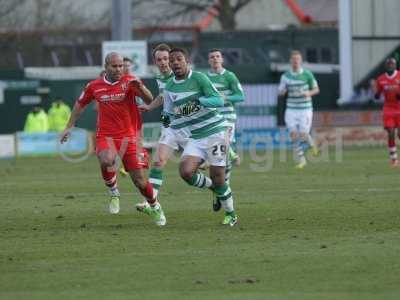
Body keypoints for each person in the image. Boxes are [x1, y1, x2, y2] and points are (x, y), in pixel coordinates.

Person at [60, 52, 166, 226]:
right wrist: (68, 127)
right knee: (107, 159)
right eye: (114, 66)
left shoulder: (130, 81)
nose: (118, 69)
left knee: (139, 181)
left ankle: (155, 205)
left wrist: (140, 86)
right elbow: (80, 105)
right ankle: (114, 191)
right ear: (106, 67)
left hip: (130, 137)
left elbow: (149, 98)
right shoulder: (94, 86)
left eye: (120, 66)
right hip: (106, 136)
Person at [154, 47, 237, 226]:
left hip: (216, 131)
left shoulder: (199, 78)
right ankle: (214, 188)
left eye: (179, 59)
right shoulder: (169, 87)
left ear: (186, 61)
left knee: (218, 175)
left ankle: (231, 213)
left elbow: (218, 100)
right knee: (185, 171)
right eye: (172, 60)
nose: (175, 63)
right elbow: (167, 113)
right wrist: (166, 126)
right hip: (197, 136)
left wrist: (199, 101)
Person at [136, 43, 189, 201]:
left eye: (166, 58)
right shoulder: (160, 77)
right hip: (169, 124)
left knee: (196, 168)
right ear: (155, 62)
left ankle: (215, 187)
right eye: (159, 59)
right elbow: (162, 96)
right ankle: (150, 202)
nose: (164, 62)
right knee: (158, 161)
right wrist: (150, 107)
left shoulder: (183, 74)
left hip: (189, 125)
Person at [206, 49, 245, 190]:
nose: (215, 59)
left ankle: (224, 185)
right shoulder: (205, 78)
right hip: (211, 118)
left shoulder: (229, 76)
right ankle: (221, 188)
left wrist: (225, 98)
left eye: (217, 56)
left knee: (222, 143)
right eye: (212, 57)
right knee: (218, 159)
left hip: (227, 117)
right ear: (209, 61)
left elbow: (241, 96)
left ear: (222, 59)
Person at [278, 50, 320, 169]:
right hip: (291, 109)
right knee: (293, 134)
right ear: (291, 61)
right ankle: (302, 160)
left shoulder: (307, 74)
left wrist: (308, 93)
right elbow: (280, 91)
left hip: (305, 109)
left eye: (298, 59)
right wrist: (283, 91)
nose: (296, 61)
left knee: (303, 134)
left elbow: (316, 89)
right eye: (294, 59)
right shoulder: (285, 76)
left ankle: (312, 145)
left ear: (301, 61)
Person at [372, 57, 400, 167]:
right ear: (386, 66)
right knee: (391, 132)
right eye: (388, 64)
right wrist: (376, 94)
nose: (390, 66)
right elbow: (377, 95)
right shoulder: (381, 79)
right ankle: (394, 158)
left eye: (392, 64)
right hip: (388, 109)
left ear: (395, 65)